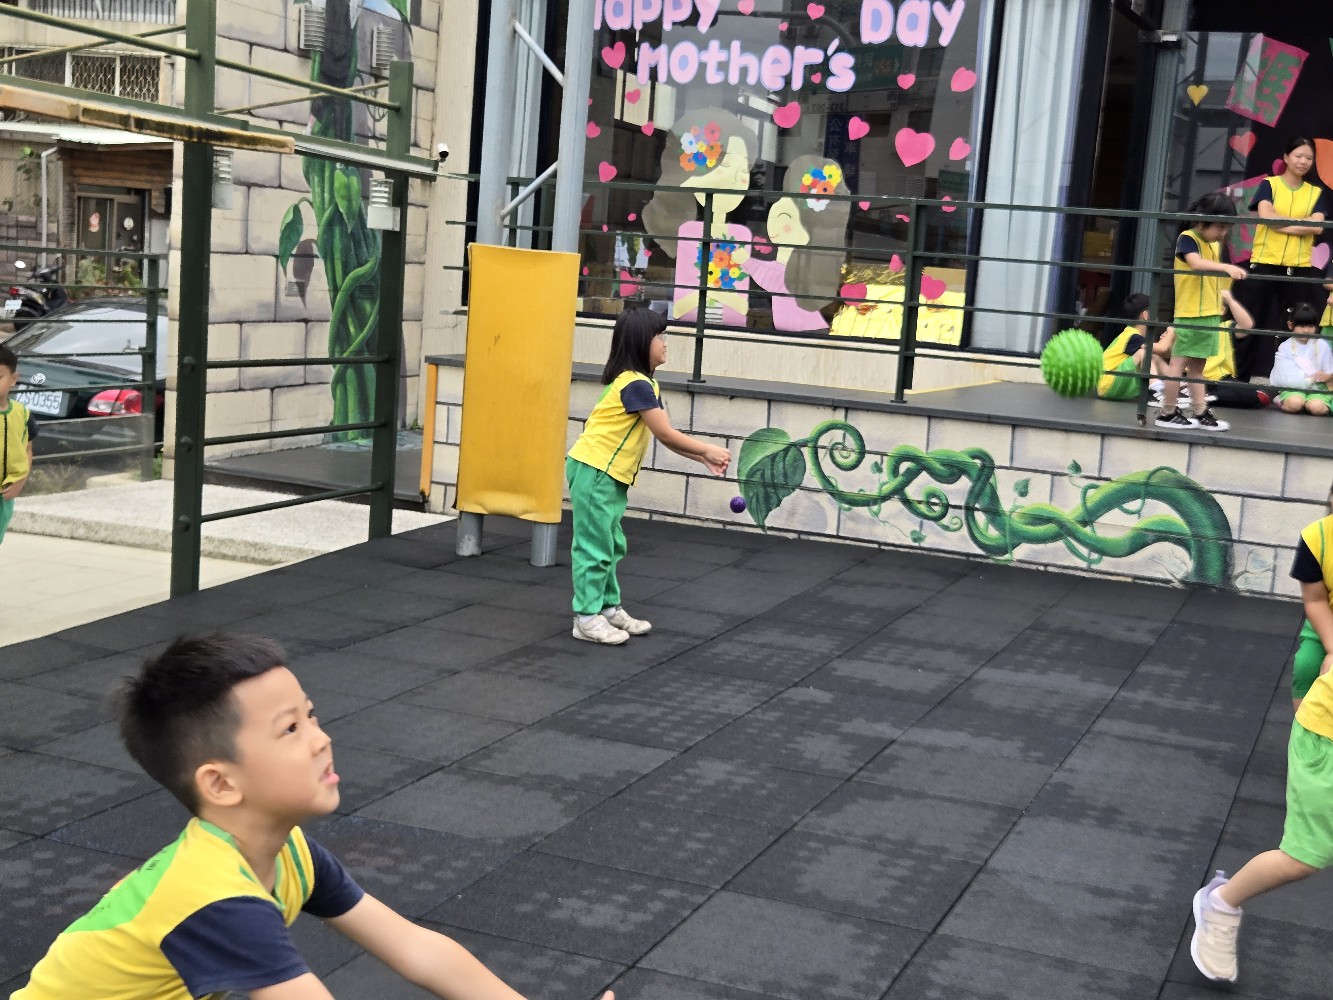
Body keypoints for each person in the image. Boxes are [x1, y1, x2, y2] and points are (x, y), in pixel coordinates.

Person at [11, 633, 616, 1000]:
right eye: (290, 729)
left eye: (312, 716)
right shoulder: (215, 899)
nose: (321, 739)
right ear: (220, 783)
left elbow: (418, 949)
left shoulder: (289, 853)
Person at [1188, 485, 1333, 983]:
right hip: (1327, 736)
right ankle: (1222, 903)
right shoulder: (1320, 539)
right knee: (1304, 857)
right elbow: (1315, 600)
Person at [565, 307, 731, 644]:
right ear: (642, 342)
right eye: (660, 336)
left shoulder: (644, 384)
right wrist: (707, 449)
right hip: (596, 471)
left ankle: (607, 608)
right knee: (594, 546)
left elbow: (664, 436)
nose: (665, 343)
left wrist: (701, 458)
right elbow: (666, 433)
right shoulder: (636, 385)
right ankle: (586, 618)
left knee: (611, 543)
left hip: (606, 474)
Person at [642, 108, 757, 326]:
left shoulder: (739, 235)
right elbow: (681, 305)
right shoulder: (688, 233)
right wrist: (715, 294)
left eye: (744, 170)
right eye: (726, 165)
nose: (737, 178)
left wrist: (711, 295)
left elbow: (742, 307)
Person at [1232, 136, 1330, 381]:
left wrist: (1280, 223)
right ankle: (1240, 380)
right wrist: (1300, 224)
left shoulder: (1315, 192)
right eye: (1299, 156)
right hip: (1265, 262)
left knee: (1294, 325)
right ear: (1286, 157)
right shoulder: (1270, 184)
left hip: (1298, 267)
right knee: (1251, 322)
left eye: (1309, 158)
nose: (1303, 161)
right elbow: (1266, 216)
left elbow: (1318, 227)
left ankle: (1291, 382)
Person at [1156, 192, 1247, 431]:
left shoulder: (1213, 244)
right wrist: (1226, 267)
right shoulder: (1187, 238)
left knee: (1197, 368)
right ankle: (1167, 412)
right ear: (1202, 221)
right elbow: (1195, 263)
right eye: (1220, 227)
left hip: (1209, 313)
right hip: (1190, 314)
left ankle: (1199, 410)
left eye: (1226, 228)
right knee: (1178, 365)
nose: (1223, 233)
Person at [747, 155, 852, 333]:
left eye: (784, 218)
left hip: (802, 331)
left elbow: (772, 277)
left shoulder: (796, 267)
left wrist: (745, 261)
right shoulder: (799, 258)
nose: (772, 226)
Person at [1097, 293, 1173, 402]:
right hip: (1107, 382)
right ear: (1146, 315)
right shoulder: (1131, 336)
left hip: (1111, 383)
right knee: (1144, 353)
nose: (1157, 319)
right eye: (1155, 314)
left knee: (1153, 356)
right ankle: (1157, 390)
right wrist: (1171, 331)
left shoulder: (1133, 335)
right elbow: (1162, 348)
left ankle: (1175, 383)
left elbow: (1163, 352)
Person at [1269, 303, 1333, 415]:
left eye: (1310, 326)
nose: (1306, 330)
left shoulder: (1322, 345)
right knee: (1295, 404)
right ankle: (1285, 402)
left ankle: (1308, 405)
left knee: (1316, 408)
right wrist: (1306, 379)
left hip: (1317, 388)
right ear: (1290, 325)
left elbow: (1330, 373)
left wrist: (1326, 376)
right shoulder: (1285, 347)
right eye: (1302, 326)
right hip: (1292, 388)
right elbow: (1279, 376)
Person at [0, 344, 36, 546]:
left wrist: (20, 480)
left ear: (14, 379)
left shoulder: (22, 414)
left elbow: (27, 450)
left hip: (4, 496)